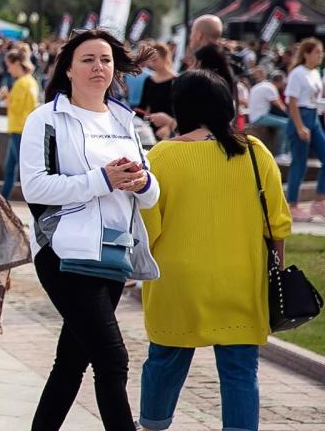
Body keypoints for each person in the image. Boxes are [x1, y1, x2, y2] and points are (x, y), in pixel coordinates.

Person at [20, 29, 161, 431]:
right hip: (64, 253)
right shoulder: (45, 118)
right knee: (112, 359)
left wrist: (142, 183)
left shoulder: (124, 120)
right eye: (88, 59)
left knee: (71, 362)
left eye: (105, 60)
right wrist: (102, 179)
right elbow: (35, 187)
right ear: (68, 68)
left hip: (114, 252)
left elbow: (151, 193)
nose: (98, 67)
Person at [137, 70, 292, 431]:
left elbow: (149, 229)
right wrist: (277, 272)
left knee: (165, 357)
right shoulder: (255, 153)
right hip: (240, 280)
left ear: (181, 107)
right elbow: (277, 226)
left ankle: (153, 423)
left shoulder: (161, 157)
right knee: (240, 370)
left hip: (178, 281)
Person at [283, 38, 325, 222]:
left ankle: (320, 199)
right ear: (306, 54)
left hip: (313, 116)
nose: (320, 56)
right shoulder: (297, 73)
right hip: (300, 116)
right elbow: (292, 101)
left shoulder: (316, 73)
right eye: (317, 52)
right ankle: (293, 205)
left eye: (321, 52)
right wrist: (300, 126)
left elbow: (315, 98)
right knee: (299, 163)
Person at [0, 50, 38, 200]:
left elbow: (15, 108)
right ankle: (3, 200)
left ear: (16, 64)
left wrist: (5, 97)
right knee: (11, 169)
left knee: (21, 169)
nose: (8, 69)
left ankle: (34, 202)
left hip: (19, 129)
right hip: (22, 128)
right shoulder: (31, 81)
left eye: (9, 65)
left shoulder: (21, 83)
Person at [247, 69, 289, 159]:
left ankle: (284, 153)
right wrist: (291, 115)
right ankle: (280, 153)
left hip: (254, 117)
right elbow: (280, 106)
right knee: (286, 123)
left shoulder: (262, 85)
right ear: (280, 81)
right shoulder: (271, 88)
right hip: (259, 117)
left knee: (284, 122)